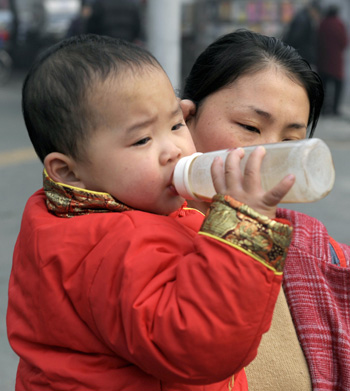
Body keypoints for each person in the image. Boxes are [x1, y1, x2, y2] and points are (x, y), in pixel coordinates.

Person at [6, 34, 295, 391]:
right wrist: (244, 225)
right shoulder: (112, 244)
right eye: (142, 140)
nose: (173, 150)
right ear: (68, 171)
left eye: (176, 125)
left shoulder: (80, 211)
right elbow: (200, 347)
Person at [181, 29, 350, 391]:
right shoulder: (120, 243)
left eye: (290, 141)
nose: (266, 156)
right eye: (250, 127)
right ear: (186, 118)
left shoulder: (323, 258)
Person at [317, 5, 348, 116]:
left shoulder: (322, 23)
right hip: (336, 62)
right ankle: (334, 109)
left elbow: (317, 40)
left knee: (323, 86)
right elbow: (344, 42)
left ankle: (324, 109)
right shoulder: (339, 24)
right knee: (338, 86)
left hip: (323, 60)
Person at [282, 0, 322, 69]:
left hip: (301, 55)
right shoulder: (303, 19)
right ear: (313, 10)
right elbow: (294, 38)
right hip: (301, 55)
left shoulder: (304, 17)